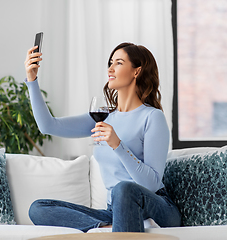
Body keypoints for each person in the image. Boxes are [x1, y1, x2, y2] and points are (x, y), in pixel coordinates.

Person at [24, 42, 181, 232]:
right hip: (113, 211)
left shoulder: (152, 117)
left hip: (155, 208)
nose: (111, 68)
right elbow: (48, 126)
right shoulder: (104, 117)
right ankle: (105, 228)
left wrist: (118, 145)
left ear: (136, 71)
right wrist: (32, 80)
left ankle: (115, 227)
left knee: (123, 189)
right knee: (39, 208)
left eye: (119, 63)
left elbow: (151, 184)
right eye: (110, 63)